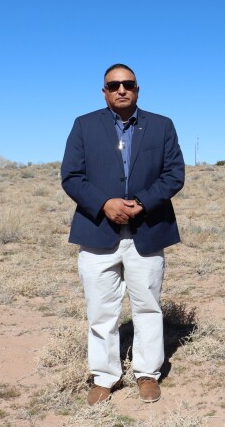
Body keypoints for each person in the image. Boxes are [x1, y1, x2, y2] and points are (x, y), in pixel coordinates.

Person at [62, 63, 185, 405]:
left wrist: (142, 203)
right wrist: (104, 203)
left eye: (127, 84)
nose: (121, 90)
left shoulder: (161, 126)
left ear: (137, 89)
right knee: (101, 310)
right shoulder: (84, 126)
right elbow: (71, 176)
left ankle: (147, 374)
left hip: (147, 231)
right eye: (113, 85)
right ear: (104, 91)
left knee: (147, 307)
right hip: (98, 231)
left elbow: (174, 174)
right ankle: (105, 376)